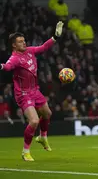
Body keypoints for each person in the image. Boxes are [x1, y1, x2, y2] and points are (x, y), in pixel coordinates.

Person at [0, 21, 64, 161]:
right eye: (20, 42)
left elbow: (43, 47)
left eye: (24, 41)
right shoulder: (15, 58)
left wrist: (55, 37)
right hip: (23, 93)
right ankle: (25, 151)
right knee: (34, 121)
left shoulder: (29, 51)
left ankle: (42, 136)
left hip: (35, 90)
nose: (24, 43)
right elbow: (8, 67)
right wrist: (1, 66)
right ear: (14, 45)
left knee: (47, 113)